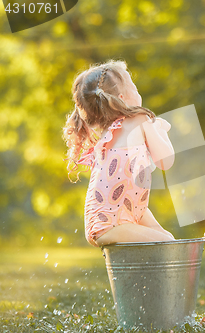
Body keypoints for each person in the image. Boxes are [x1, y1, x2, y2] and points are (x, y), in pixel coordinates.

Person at [63, 60, 175, 247]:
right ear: (122, 97)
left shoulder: (108, 133)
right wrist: (161, 129)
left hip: (111, 218)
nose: (138, 90)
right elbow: (166, 161)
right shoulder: (140, 119)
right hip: (113, 224)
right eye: (134, 86)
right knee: (168, 243)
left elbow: (128, 192)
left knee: (165, 236)